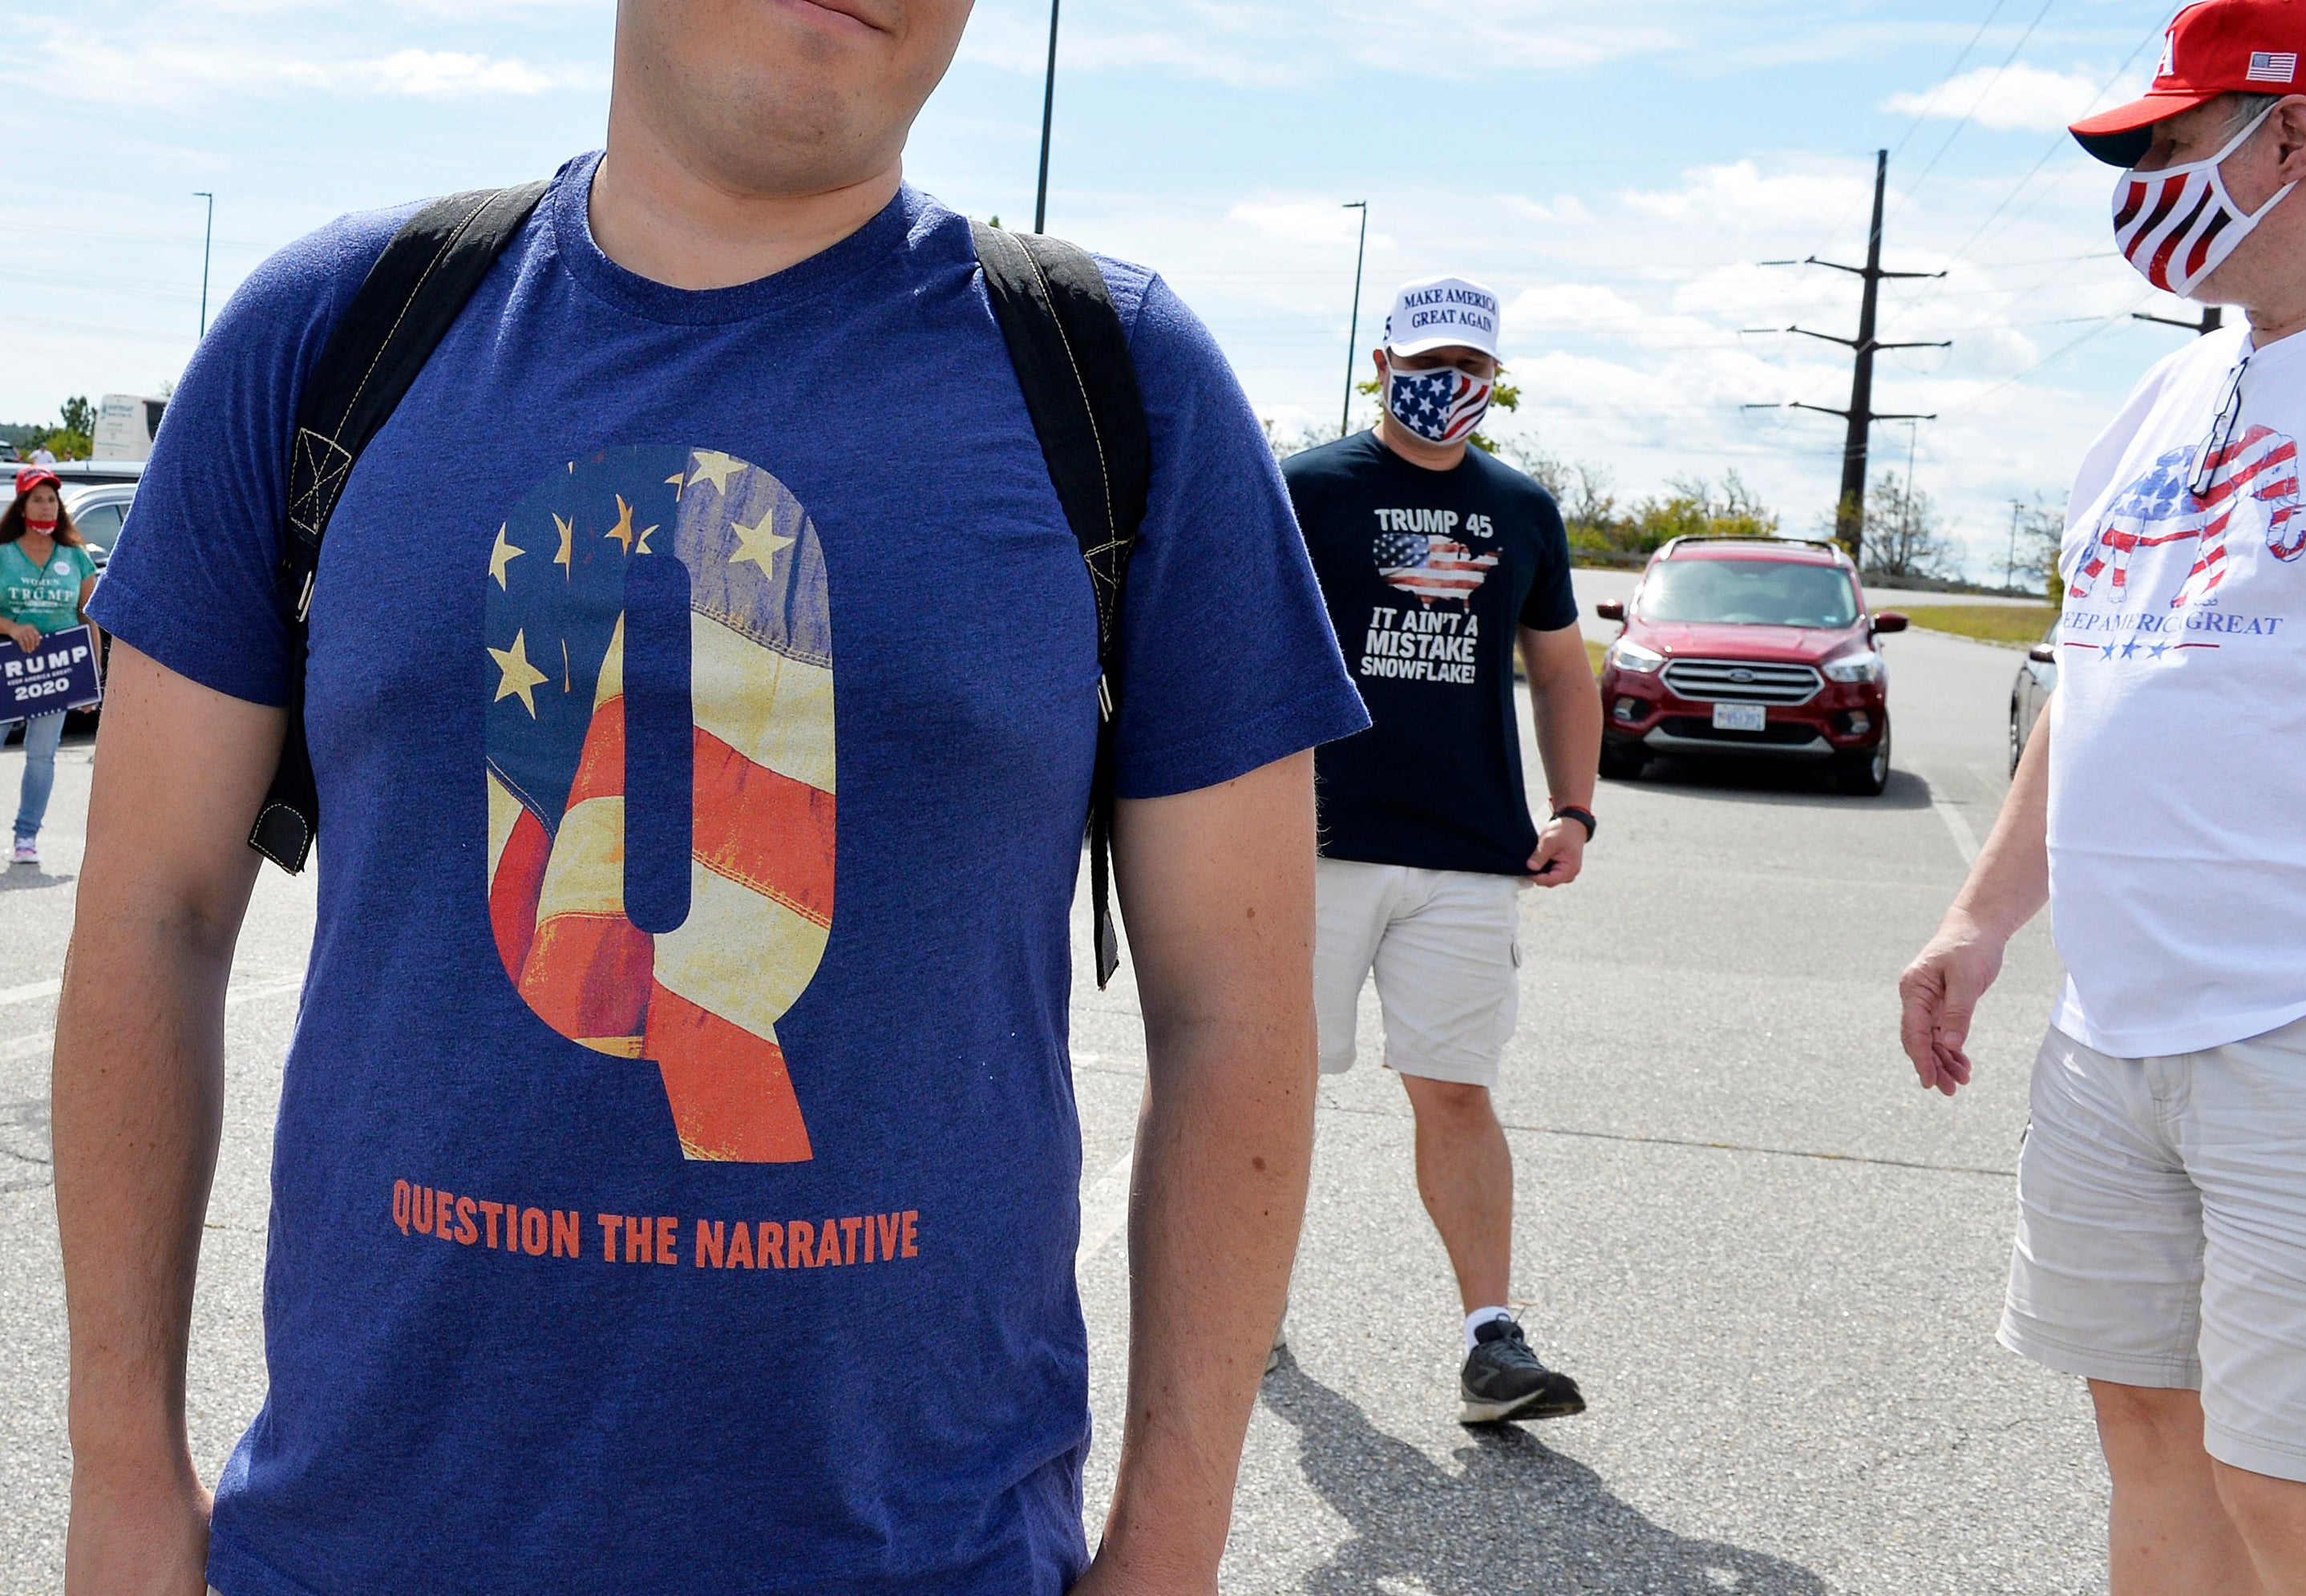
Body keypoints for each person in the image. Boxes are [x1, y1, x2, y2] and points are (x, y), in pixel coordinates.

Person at [51, 2, 1369, 1593]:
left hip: (929, 1557)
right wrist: (123, 1472)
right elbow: (153, 913)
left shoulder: (1119, 386)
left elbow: (1234, 1006)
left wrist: (1171, 1542)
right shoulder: (331, 336)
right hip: (355, 1552)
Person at [1899, 3, 2306, 1589]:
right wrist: (1978, 912)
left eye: (2164, 144)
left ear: (2285, 134)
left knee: (2300, 1486)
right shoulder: (2153, 412)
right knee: (2145, 1422)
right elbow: (2093, 677)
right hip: (2113, 1033)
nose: (2135, 181)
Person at [1282, 276, 1604, 1424]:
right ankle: (1244, 1299)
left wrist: (1571, 808)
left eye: (1469, 367)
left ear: (1493, 381)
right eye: (1427, 362)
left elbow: (1562, 669)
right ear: (1381, 364)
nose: (1446, 385)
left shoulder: (1519, 507)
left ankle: (1491, 1341)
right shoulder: (1305, 488)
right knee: (1274, 1088)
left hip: (1471, 854)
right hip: (1314, 845)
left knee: (1458, 1091)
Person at [0, 467, 99, 865]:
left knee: (42, 755)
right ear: (22, 506)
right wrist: (11, 626)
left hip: (56, 672)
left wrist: (91, 680)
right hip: (8, 670)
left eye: (51, 498)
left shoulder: (75, 556)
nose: (46, 505)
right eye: (37, 498)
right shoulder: (4, 554)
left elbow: (89, 616)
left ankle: (26, 837)